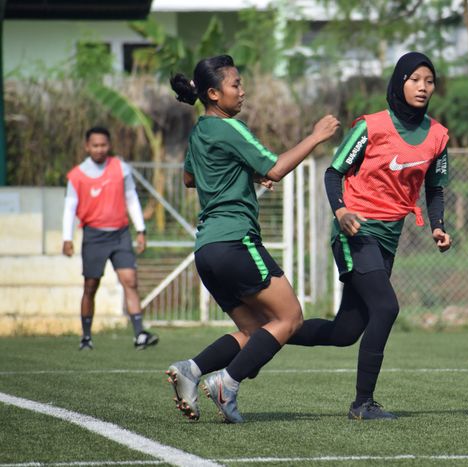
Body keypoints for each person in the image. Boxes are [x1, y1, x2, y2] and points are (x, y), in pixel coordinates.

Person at [165, 55, 339, 423]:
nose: (243, 92)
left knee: (254, 331)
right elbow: (275, 167)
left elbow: (190, 179)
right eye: (236, 85)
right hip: (236, 242)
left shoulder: (200, 131)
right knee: (290, 319)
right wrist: (316, 136)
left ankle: (192, 370)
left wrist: (242, 173)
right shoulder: (231, 127)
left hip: (207, 251)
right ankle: (226, 383)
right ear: (213, 93)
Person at [286, 52, 452, 420]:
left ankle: (270, 334)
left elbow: (436, 189)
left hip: (388, 237)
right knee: (387, 307)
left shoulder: (438, 136)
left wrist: (438, 225)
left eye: (430, 80)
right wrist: (341, 211)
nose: (423, 86)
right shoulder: (371, 127)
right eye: (415, 79)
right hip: (355, 230)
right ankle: (363, 404)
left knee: (345, 331)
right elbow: (333, 173)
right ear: (399, 82)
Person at [62, 127, 159, 351]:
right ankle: (86, 337)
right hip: (94, 236)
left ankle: (139, 335)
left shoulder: (120, 168)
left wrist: (141, 230)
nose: (99, 149)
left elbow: (131, 198)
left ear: (109, 145)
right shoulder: (77, 175)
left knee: (130, 281)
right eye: (95, 145)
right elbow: (69, 208)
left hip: (120, 234)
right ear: (87, 146)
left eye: (103, 145)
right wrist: (67, 238)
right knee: (90, 286)